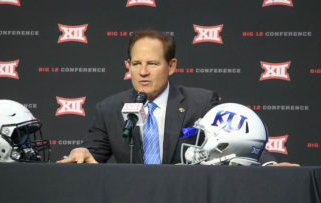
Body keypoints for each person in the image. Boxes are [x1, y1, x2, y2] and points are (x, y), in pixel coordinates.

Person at [57, 29, 297, 166]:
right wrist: (82, 153)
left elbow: (236, 138)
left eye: (152, 63)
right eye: (136, 63)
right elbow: (92, 153)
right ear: (127, 65)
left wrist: (270, 166)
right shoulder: (109, 109)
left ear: (171, 66)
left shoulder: (200, 103)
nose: (142, 72)